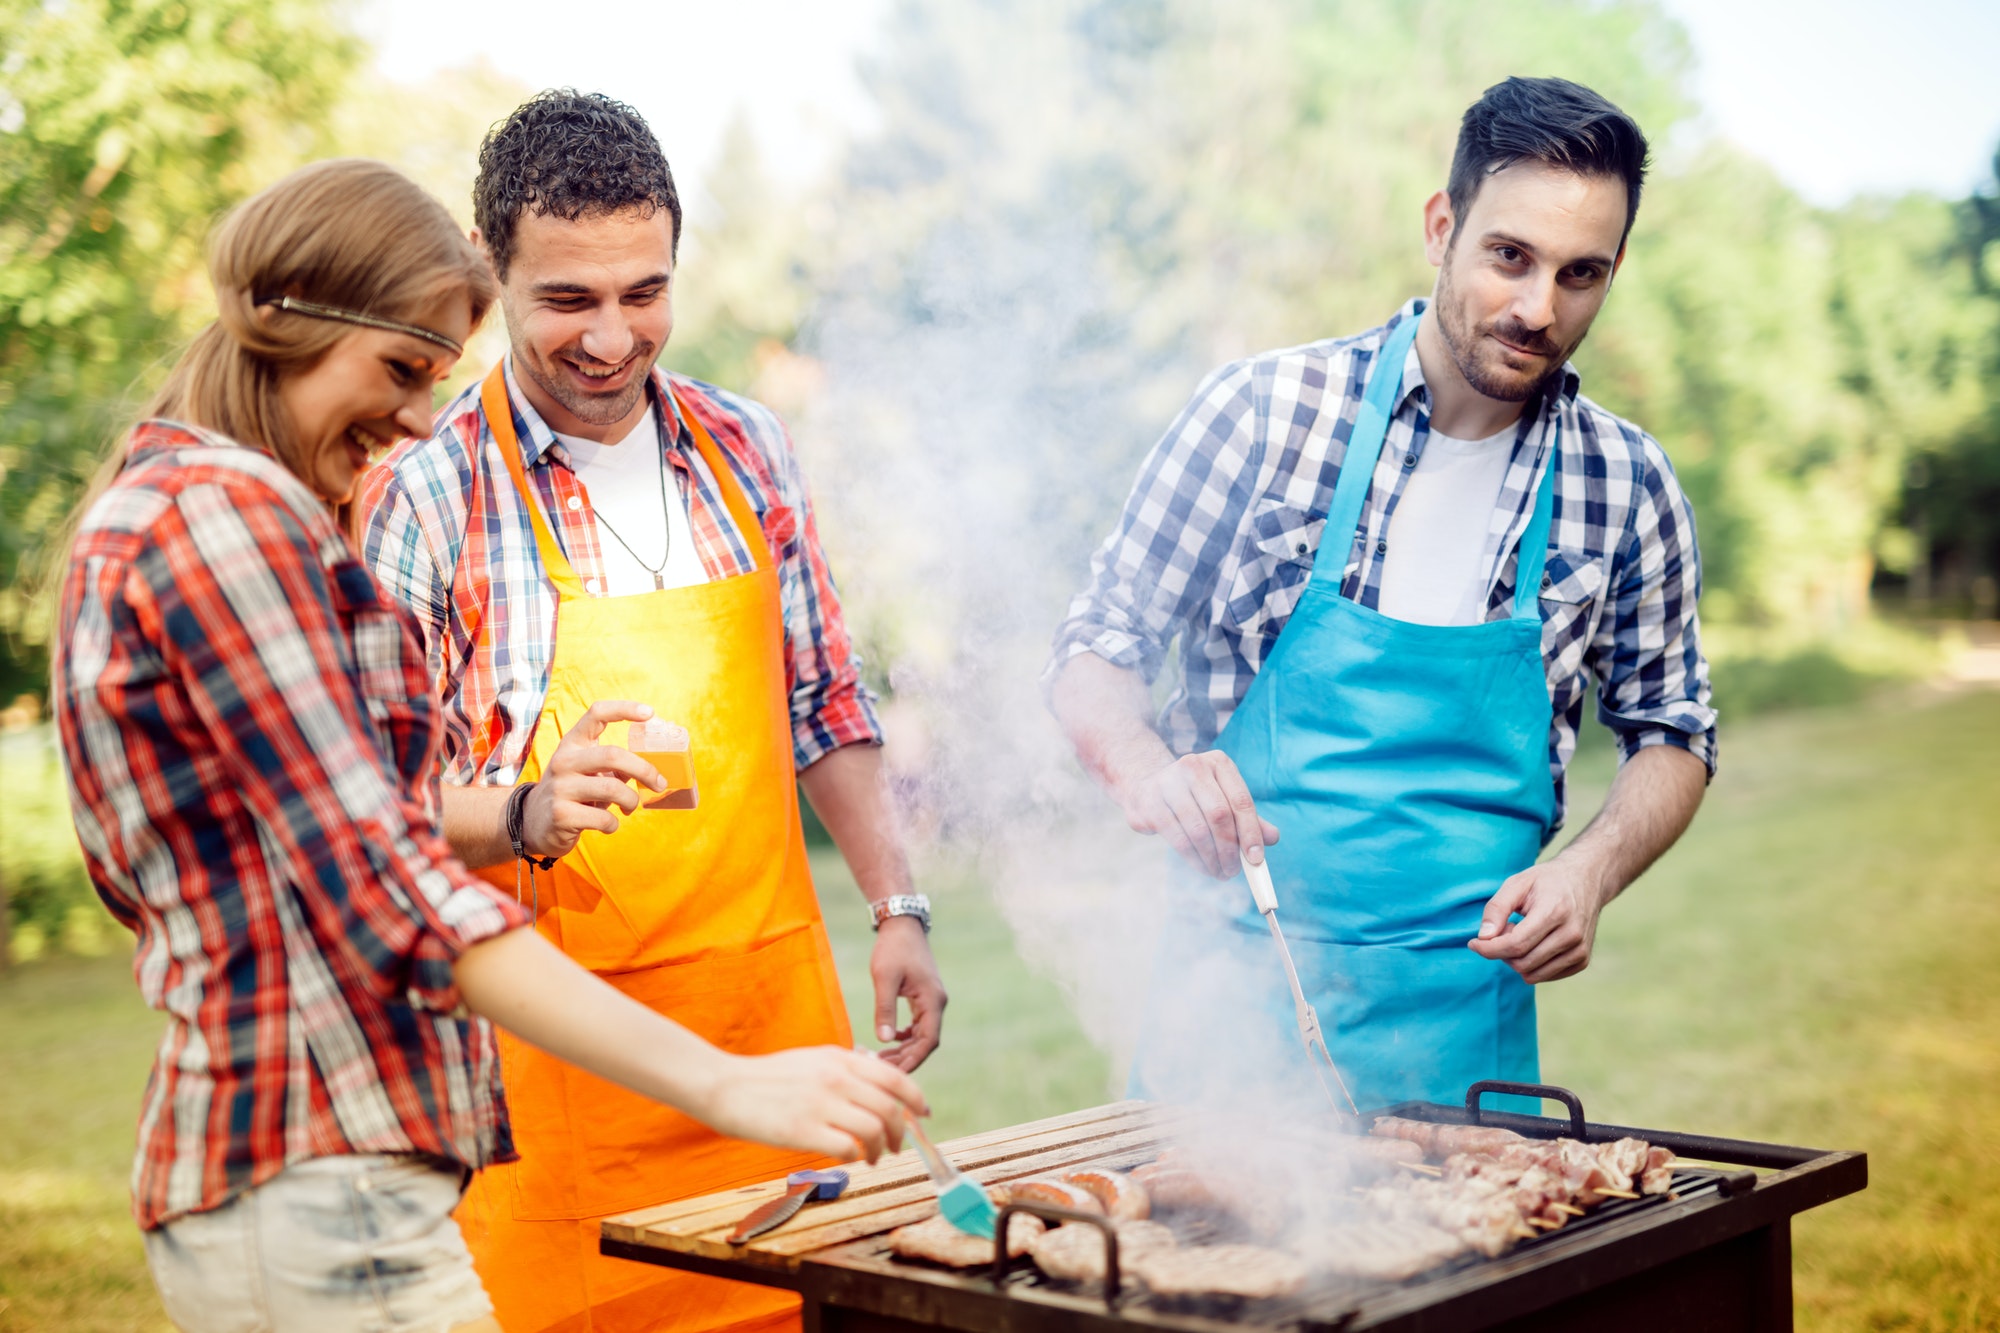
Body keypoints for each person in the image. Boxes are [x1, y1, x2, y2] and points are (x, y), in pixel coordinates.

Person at [51, 158, 925, 1333]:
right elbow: (394, 875)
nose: (417, 415)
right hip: (328, 1162)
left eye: (642, 292)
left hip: (353, 1159)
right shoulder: (228, 520)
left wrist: (894, 907)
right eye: (406, 367)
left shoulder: (192, 505)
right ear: (287, 325)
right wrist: (718, 1077)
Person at [358, 92, 946, 1333]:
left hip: (775, 1031)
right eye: (567, 300)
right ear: (491, 278)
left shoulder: (747, 448)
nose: (613, 338)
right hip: (558, 1070)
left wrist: (896, 905)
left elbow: (822, 703)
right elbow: (370, 816)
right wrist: (524, 809)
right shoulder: (426, 497)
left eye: (644, 291)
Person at [1047, 78, 1716, 1114]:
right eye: (1509, 256)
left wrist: (1588, 872)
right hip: (1227, 1021)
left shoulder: (1624, 484)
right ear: (1440, 226)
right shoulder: (1260, 416)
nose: (1537, 308)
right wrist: (1145, 770)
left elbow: (1673, 728)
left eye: (1578, 274)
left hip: (1467, 1043)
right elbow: (1095, 645)